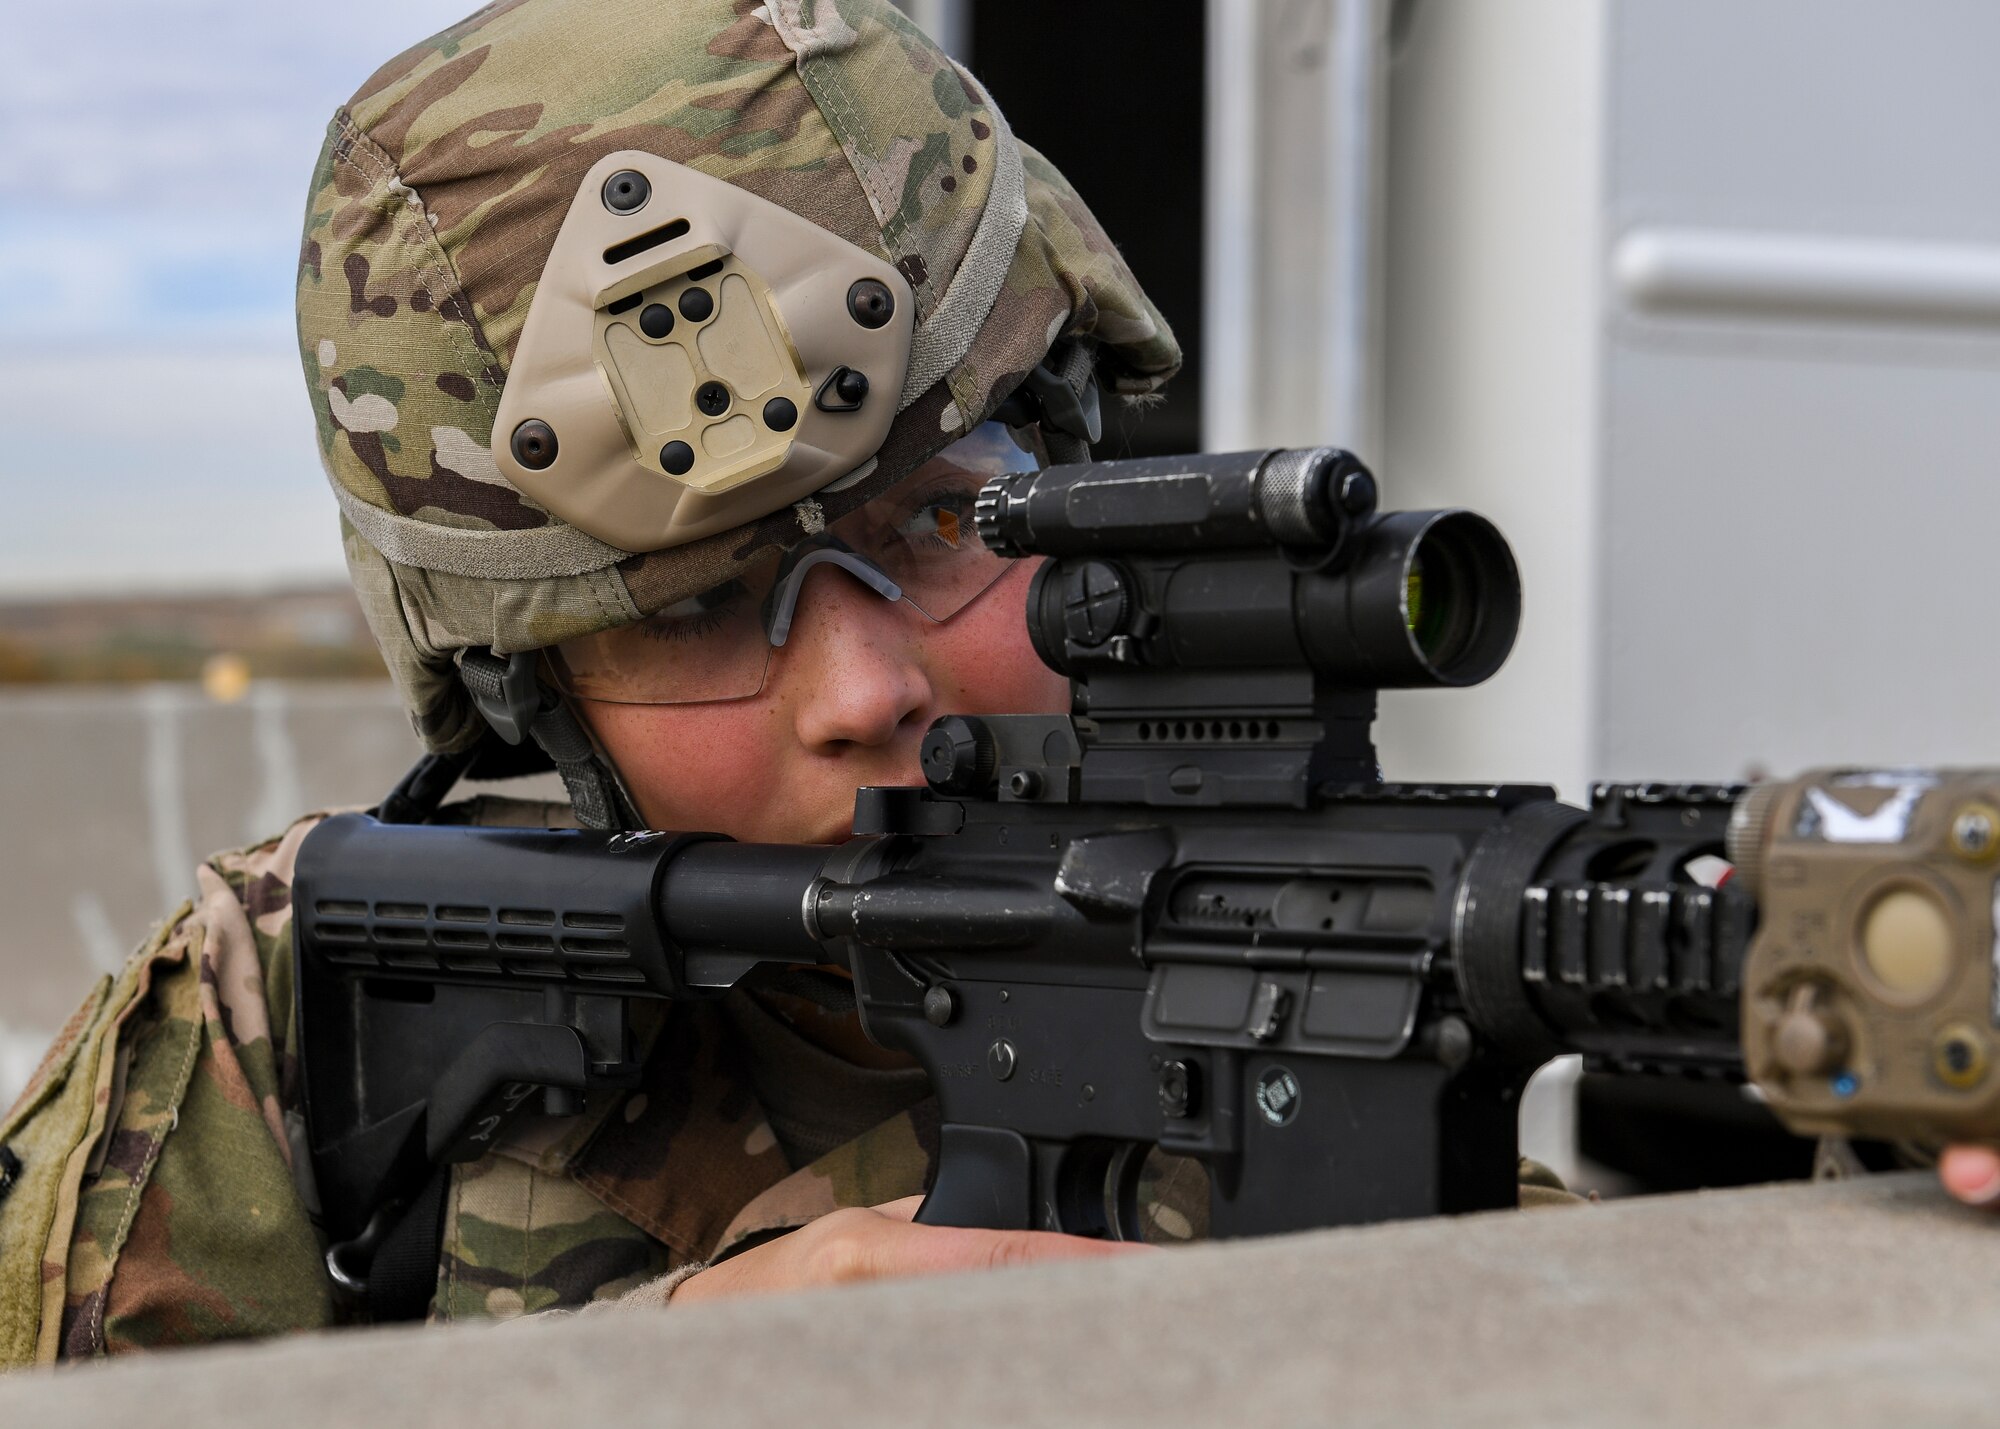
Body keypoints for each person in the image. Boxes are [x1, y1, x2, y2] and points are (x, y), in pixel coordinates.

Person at [0, 0, 1979, 1372]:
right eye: (699, 611)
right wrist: (640, 1383)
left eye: (954, 524)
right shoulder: (307, 1004)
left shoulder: (1392, 959)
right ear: (520, 691)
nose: (862, 684)